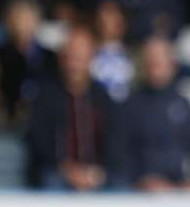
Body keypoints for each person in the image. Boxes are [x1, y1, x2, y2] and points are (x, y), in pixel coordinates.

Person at [27, 27, 128, 190]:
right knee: (50, 183)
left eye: (80, 58)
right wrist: (68, 170)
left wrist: (96, 173)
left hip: (98, 173)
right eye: (71, 57)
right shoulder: (44, 97)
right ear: (62, 60)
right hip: (57, 172)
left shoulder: (103, 98)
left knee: (120, 186)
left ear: (91, 59)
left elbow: (115, 143)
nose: (75, 64)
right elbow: (39, 143)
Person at [116, 38, 190, 191]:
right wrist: (140, 180)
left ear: (171, 65)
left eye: (160, 61)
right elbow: (121, 153)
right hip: (143, 190)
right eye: (151, 61)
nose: (155, 67)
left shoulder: (183, 104)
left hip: (181, 189)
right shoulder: (130, 105)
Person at [0, 0, 52, 129]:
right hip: (8, 120)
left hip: (45, 119)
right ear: (8, 22)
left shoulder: (52, 57)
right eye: (17, 18)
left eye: (28, 18)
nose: (22, 24)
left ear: (37, 21)